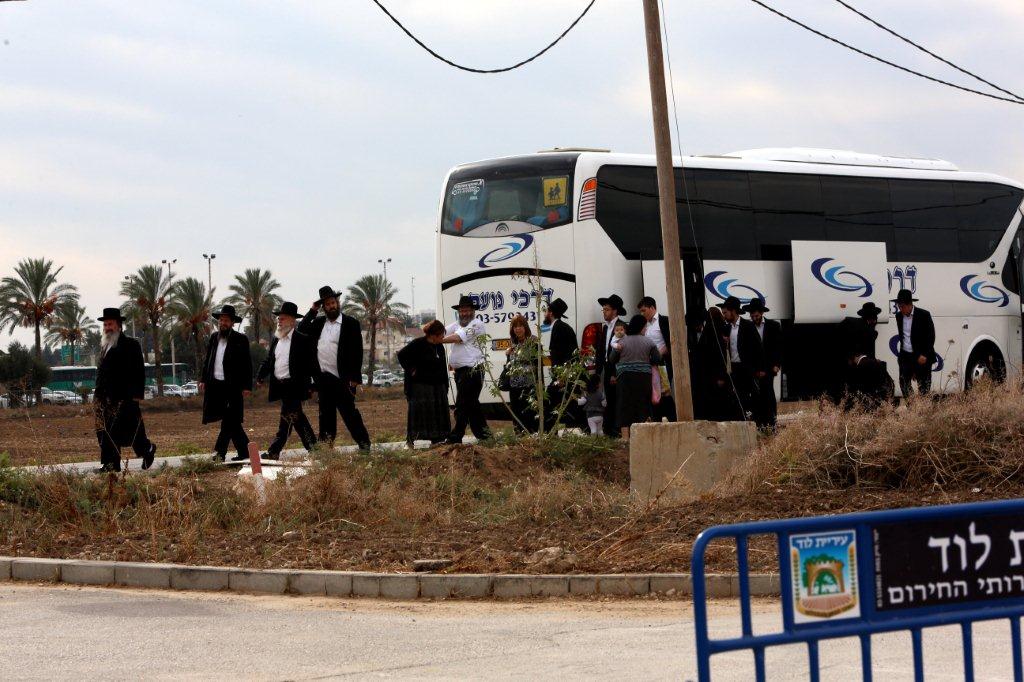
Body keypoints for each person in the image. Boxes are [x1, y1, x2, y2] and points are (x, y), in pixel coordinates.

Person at [298, 286, 371, 450]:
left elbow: (357, 352)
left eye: (333, 302)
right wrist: (312, 311)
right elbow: (300, 329)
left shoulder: (351, 323)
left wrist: (354, 379)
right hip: (323, 379)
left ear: (337, 303)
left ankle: (365, 445)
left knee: (350, 415)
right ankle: (326, 450)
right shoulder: (318, 323)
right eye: (327, 304)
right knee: (325, 417)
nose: (331, 306)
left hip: (343, 379)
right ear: (323, 307)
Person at [93, 307, 156, 473]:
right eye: (105, 324)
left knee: (132, 431)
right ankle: (110, 464)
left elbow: (138, 371)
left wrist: (137, 395)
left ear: (119, 325)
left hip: (124, 397)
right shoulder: (104, 345)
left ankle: (148, 450)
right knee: (105, 432)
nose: (107, 327)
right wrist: (97, 396)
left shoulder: (131, 345)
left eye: (110, 324)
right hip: (103, 399)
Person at [257, 302, 317, 459]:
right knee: (294, 418)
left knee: (290, 418)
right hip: (281, 386)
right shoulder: (277, 340)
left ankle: (274, 451)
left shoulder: (302, 340)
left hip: (295, 386)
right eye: (278, 318)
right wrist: (260, 375)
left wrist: (312, 385)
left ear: (292, 321)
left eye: (282, 318)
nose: (279, 321)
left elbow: (311, 364)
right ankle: (315, 449)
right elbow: (269, 360)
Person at [199, 304, 253, 462]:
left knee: (229, 420)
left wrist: (247, 386)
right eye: (221, 320)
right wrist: (203, 379)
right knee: (232, 421)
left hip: (233, 387)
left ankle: (219, 453)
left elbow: (247, 364)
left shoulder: (240, 339)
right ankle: (246, 452)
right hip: (216, 386)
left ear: (232, 323)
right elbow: (207, 361)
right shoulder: (214, 338)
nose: (223, 323)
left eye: (226, 320)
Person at [442, 295, 491, 444]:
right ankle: (485, 437)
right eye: (462, 311)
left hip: (473, 371)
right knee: (471, 405)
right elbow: (442, 331)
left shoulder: (477, 325)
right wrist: (431, 333)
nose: (464, 313)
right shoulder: (457, 324)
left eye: (467, 310)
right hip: (461, 372)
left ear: (473, 311)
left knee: (462, 405)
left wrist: (437, 340)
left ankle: (456, 436)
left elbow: (457, 338)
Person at [396, 320, 450, 446]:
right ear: (433, 335)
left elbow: (443, 367)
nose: (443, 337)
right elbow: (401, 355)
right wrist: (411, 369)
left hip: (437, 387)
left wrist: (445, 385)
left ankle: (436, 440)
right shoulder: (417, 344)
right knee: (419, 414)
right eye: (441, 334)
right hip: (420, 387)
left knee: (437, 414)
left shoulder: (440, 346)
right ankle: (411, 440)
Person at [609, 314, 661, 440]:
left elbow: (612, 359)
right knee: (643, 405)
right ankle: (644, 437)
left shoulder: (621, 342)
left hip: (624, 378)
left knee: (624, 405)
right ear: (642, 327)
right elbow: (656, 359)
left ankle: (625, 437)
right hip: (644, 378)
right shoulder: (649, 342)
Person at [718, 296, 763, 420]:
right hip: (733, 368)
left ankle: (754, 421)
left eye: (726, 313)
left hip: (747, 368)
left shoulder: (747, 326)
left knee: (751, 397)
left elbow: (758, 348)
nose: (724, 316)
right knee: (736, 397)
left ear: (733, 311)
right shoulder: (726, 328)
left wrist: (758, 368)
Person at [744, 298, 781, 430]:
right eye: (752, 316)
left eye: (757, 316)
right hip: (755, 369)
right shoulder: (747, 328)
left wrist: (777, 364)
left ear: (762, 313)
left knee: (769, 395)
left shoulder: (774, 326)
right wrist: (754, 370)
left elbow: (779, 347)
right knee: (756, 397)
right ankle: (759, 425)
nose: (755, 318)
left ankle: (772, 423)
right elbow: (747, 351)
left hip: (769, 367)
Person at [544, 297, 582, 428]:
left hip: (563, 377)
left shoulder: (561, 328)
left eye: (546, 311)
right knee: (560, 404)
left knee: (559, 403)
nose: (544, 314)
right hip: (562, 376)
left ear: (551, 313)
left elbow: (569, 355)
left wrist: (563, 376)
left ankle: (570, 431)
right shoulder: (559, 327)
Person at [594, 294, 626, 436]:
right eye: (603, 310)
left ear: (614, 311)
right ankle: (610, 429)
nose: (604, 312)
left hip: (617, 369)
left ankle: (618, 429)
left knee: (618, 399)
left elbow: (622, 351)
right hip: (607, 368)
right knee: (610, 399)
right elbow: (601, 350)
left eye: (606, 309)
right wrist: (597, 371)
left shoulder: (622, 327)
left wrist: (615, 372)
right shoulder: (606, 328)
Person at [638, 296, 674, 421]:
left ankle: (671, 417)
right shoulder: (644, 325)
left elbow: (671, 342)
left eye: (644, 310)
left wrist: (659, 353)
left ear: (652, 308)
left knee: (665, 392)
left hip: (662, 363)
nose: (642, 314)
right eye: (640, 312)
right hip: (648, 364)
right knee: (652, 392)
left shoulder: (664, 321)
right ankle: (656, 418)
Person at [894, 289, 935, 396]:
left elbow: (930, 336)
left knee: (924, 387)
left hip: (922, 356)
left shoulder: (924, 315)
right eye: (899, 306)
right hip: (905, 356)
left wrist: (925, 354)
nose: (900, 309)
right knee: (904, 383)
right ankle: (912, 407)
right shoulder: (898, 316)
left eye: (902, 306)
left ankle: (922, 410)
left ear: (910, 305)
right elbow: (903, 337)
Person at [504, 314, 541, 433]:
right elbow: (510, 365)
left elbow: (538, 364)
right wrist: (508, 354)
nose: (518, 329)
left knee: (531, 415)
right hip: (514, 387)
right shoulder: (513, 343)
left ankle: (533, 440)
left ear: (525, 327)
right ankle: (520, 442)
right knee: (517, 416)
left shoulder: (533, 341)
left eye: (520, 326)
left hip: (530, 386)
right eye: (515, 326)